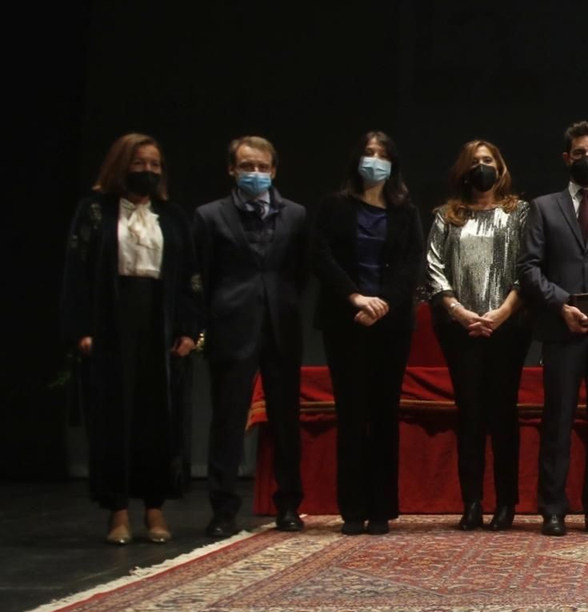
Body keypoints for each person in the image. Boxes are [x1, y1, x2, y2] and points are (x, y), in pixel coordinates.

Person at [61, 133, 200, 545]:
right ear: (122, 165)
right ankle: (118, 511)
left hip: (158, 325)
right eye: (139, 163)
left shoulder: (172, 216)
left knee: (158, 419)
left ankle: (155, 509)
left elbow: (191, 278)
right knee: (113, 418)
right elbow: (76, 273)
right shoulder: (93, 212)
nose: (148, 171)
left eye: (155, 165)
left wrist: (191, 330)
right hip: (110, 326)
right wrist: (80, 329)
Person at [518, 121, 588, 537]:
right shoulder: (544, 207)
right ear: (567, 159)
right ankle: (552, 508)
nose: (587, 159)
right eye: (578, 153)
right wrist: (561, 303)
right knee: (557, 421)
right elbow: (528, 269)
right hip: (561, 328)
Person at [193, 135, 308, 538]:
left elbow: (301, 271)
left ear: (274, 170)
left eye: (262, 167)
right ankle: (223, 510)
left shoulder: (296, 215)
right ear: (232, 169)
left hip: (281, 325)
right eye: (247, 166)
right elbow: (203, 275)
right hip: (232, 325)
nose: (255, 173)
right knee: (227, 420)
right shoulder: (209, 216)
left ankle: (289, 504)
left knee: (285, 419)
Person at [311, 131, 424, 536]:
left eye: (382, 155)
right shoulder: (333, 206)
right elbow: (321, 256)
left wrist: (383, 304)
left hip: (390, 324)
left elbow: (412, 264)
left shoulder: (406, 212)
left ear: (392, 165)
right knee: (352, 413)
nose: (374, 161)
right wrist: (356, 298)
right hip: (346, 321)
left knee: (384, 413)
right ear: (357, 161)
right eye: (368, 154)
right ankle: (353, 510)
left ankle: (381, 508)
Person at [426, 140, 532, 532]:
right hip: (461, 329)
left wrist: (503, 312)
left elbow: (528, 265)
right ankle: (471, 502)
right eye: (475, 162)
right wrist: (457, 310)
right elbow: (434, 266)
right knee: (469, 414)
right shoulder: (446, 216)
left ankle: (506, 504)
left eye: (488, 160)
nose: (482, 167)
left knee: (503, 414)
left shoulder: (518, 213)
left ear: (500, 167)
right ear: (463, 170)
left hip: (508, 327)